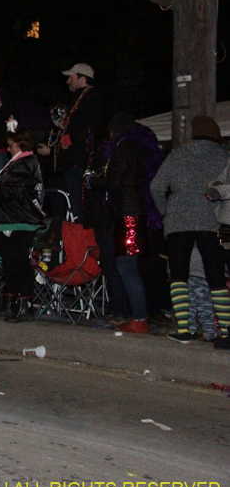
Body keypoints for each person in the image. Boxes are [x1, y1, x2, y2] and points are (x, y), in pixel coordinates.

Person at [150, 115, 228, 348]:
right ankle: (225, 330)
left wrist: (166, 211)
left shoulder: (178, 154)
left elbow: (156, 186)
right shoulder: (224, 156)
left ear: (193, 133)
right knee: (217, 277)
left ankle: (183, 330)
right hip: (212, 222)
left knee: (178, 276)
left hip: (178, 223)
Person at [83, 113, 163, 332]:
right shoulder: (139, 148)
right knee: (129, 266)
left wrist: (91, 180)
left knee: (126, 267)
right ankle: (138, 316)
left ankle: (139, 318)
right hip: (134, 212)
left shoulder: (124, 148)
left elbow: (114, 182)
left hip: (128, 215)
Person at [0, 127, 46, 323]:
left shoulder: (26, 163)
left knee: (18, 262)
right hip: (11, 219)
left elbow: (13, 193)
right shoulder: (19, 162)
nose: (8, 149)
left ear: (20, 143)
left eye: (10, 145)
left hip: (20, 220)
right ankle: (9, 302)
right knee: (9, 261)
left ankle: (25, 306)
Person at [37, 63, 104, 223]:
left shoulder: (90, 98)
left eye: (71, 77)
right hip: (70, 164)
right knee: (70, 208)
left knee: (78, 209)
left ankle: (82, 243)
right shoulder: (78, 99)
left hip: (78, 164)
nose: (68, 81)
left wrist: (69, 139)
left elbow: (89, 127)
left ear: (82, 79)